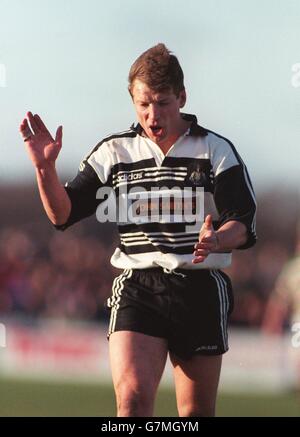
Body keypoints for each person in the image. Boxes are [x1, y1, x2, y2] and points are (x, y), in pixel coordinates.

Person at [19, 43, 256, 417]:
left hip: (199, 288)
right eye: (143, 103)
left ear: (181, 97)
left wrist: (217, 239)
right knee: (130, 405)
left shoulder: (214, 149)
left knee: (194, 416)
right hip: (138, 287)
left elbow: (242, 220)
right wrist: (45, 171)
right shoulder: (115, 152)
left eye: (162, 102)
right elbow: (62, 215)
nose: (152, 113)